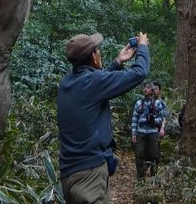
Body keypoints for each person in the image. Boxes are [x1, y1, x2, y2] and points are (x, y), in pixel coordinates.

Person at [57, 31, 149, 204]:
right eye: (97, 50)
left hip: (69, 175)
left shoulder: (66, 84)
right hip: (89, 176)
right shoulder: (93, 82)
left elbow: (93, 85)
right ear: (93, 56)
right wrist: (142, 46)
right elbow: (139, 73)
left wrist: (118, 62)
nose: (99, 53)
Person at [131, 80, 165, 180]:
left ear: (153, 91)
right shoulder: (139, 103)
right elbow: (134, 119)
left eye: (148, 87)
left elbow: (161, 118)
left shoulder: (157, 103)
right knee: (139, 154)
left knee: (153, 154)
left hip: (153, 132)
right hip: (140, 132)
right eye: (145, 87)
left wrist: (154, 119)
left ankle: (154, 176)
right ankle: (140, 178)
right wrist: (133, 132)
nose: (145, 89)